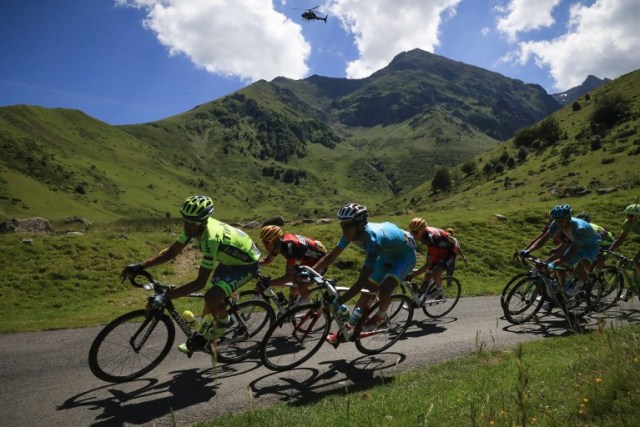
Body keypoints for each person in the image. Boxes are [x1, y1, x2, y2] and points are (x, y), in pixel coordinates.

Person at [120, 195, 261, 356]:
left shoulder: (211, 239)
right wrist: (141, 265)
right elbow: (172, 252)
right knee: (211, 300)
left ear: (203, 221)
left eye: (191, 223)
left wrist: (166, 297)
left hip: (247, 265)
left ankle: (225, 321)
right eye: (184, 221)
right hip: (229, 261)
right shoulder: (193, 227)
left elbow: (199, 283)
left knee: (211, 296)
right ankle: (202, 336)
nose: (187, 227)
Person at [312, 203, 416, 343]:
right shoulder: (350, 234)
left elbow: (360, 281)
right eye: (342, 225)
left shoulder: (373, 240)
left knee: (384, 290)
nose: (344, 229)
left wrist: (338, 302)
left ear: (360, 225)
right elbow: (331, 257)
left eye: (348, 225)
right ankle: (350, 327)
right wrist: (312, 271)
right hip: (385, 255)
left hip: (404, 257)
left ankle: (380, 316)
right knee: (367, 292)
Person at [519, 204, 600, 297]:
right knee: (561, 267)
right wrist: (528, 250)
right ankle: (563, 288)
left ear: (569, 218)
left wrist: (555, 262)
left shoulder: (579, 228)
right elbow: (543, 239)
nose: (559, 224)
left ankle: (580, 285)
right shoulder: (556, 223)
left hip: (591, 247)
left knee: (580, 269)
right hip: (577, 245)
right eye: (556, 221)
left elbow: (572, 250)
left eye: (561, 221)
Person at [258, 225, 327, 305]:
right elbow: (268, 260)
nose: (264, 245)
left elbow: (288, 277)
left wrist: (269, 283)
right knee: (294, 286)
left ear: (275, 240)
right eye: (263, 242)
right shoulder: (279, 244)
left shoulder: (289, 246)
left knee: (301, 285)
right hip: (307, 260)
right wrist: (251, 264)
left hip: (320, 261)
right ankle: (293, 308)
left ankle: (307, 303)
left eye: (267, 242)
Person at [406, 218, 455, 299]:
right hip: (439, 248)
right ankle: (422, 297)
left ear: (423, 231)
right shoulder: (422, 234)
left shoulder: (431, 238)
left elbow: (428, 264)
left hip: (450, 251)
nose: (413, 234)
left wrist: (412, 276)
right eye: (412, 231)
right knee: (428, 274)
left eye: (416, 232)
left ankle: (439, 289)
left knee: (435, 272)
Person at [608, 203, 640, 298]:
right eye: (627, 215)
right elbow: (620, 239)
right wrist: (609, 251)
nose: (628, 217)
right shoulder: (627, 223)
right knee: (636, 265)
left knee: (637, 262)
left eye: (631, 216)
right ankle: (635, 288)